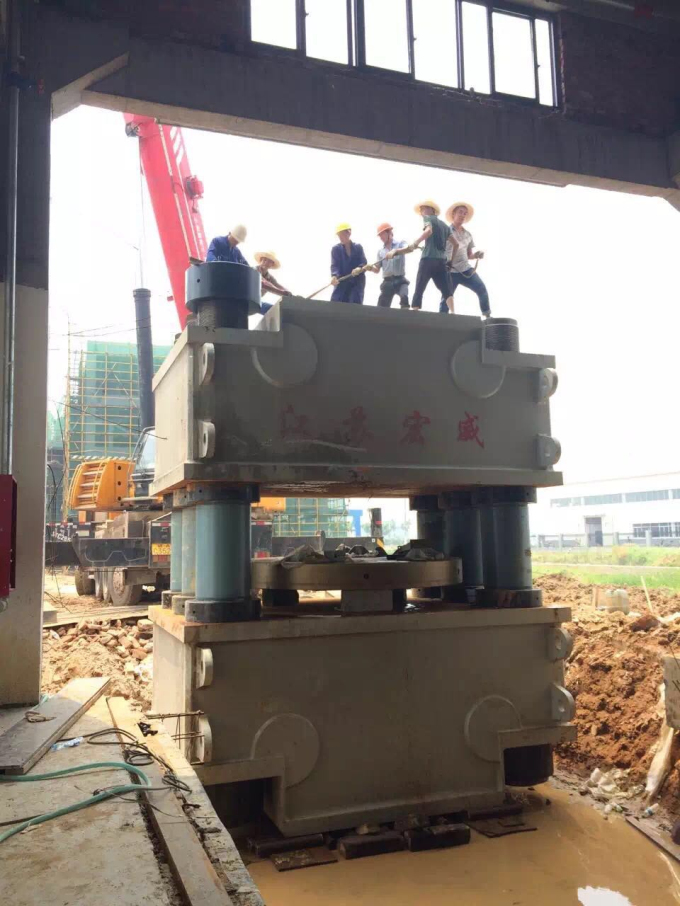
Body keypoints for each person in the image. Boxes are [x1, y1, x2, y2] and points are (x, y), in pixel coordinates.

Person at [440, 202, 490, 317]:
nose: (462, 215)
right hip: (450, 271)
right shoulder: (445, 231)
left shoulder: (468, 235)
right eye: (460, 212)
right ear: (453, 214)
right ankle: (441, 320)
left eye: (465, 213)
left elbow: (469, 255)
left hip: (466, 269)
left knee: (481, 289)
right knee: (446, 299)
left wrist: (477, 255)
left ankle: (487, 316)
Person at [409, 200, 453, 311]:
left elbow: (428, 231)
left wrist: (416, 243)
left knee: (420, 286)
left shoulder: (427, 218)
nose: (421, 213)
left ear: (431, 210)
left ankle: (415, 310)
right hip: (441, 262)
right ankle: (453, 312)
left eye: (422, 209)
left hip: (428, 259)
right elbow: (456, 244)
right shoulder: (445, 226)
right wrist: (450, 260)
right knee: (446, 289)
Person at [372, 222, 410, 309]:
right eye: (380, 236)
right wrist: (370, 268)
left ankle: (405, 313)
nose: (381, 238)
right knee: (381, 307)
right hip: (387, 281)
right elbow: (377, 269)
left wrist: (395, 251)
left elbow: (408, 248)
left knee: (404, 297)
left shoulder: (400, 244)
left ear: (389, 232)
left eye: (382, 234)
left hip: (400, 280)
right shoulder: (381, 252)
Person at [330, 223, 367, 305]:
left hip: (356, 282)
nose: (340, 237)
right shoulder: (336, 249)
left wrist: (359, 268)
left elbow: (363, 262)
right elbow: (334, 265)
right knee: (336, 303)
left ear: (348, 233)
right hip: (342, 282)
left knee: (355, 303)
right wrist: (334, 276)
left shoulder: (358, 247)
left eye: (342, 234)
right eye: (339, 235)